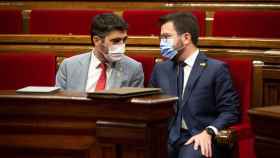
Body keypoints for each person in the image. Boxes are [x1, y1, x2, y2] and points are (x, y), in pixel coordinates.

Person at [149, 12, 240, 158]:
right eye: (161, 38)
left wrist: (209, 131)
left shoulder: (216, 69)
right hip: (167, 136)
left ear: (186, 38)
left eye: (166, 37)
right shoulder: (161, 69)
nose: (161, 42)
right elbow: (151, 105)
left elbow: (230, 111)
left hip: (199, 136)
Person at [56, 13, 144, 91]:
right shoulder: (69, 66)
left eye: (124, 40)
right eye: (115, 41)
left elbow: (133, 108)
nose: (121, 46)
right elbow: (59, 103)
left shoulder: (134, 68)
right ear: (97, 40)